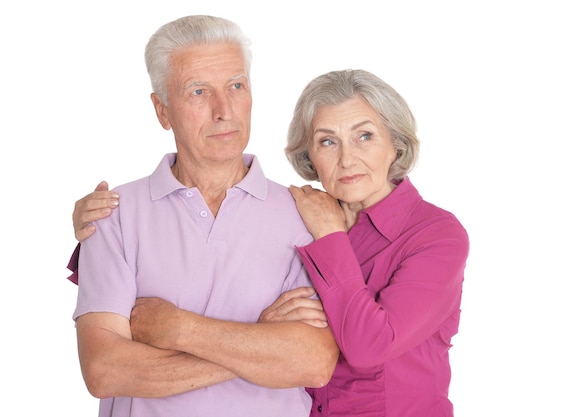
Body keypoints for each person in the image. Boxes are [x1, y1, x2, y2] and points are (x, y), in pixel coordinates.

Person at [73, 68, 469, 416]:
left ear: (395, 144)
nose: (347, 159)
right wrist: (106, 225)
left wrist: (180, 329)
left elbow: (369, 345)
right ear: (309, 157)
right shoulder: (300, 214)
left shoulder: (436, 235)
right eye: (328, 141)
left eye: (364, 136)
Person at [69, 14, 339, 417]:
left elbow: (314, 363)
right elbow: (104, 370)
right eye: (198, 91)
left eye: (236, 86)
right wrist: (263, 343)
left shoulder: (309, 215)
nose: (223, 110)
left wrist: (179, 329)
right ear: (162, 111)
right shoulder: (111, 216)